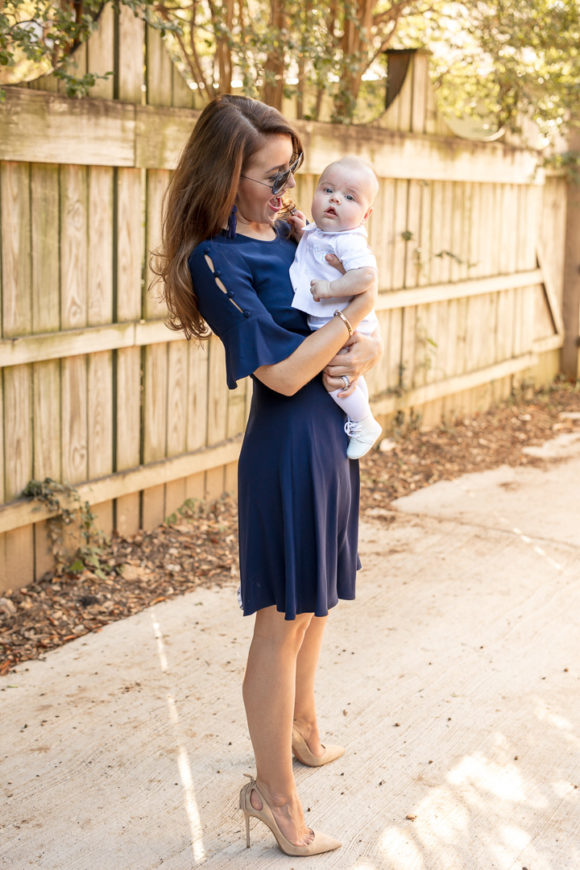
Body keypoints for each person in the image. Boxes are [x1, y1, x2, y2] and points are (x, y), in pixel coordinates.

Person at [154, 94, 381, 858]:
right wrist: (354, 322)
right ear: (227, 173)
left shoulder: (295, 233)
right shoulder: (214, 258)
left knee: (317, 604)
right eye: (271, 175)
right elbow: (284, 374)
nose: (288, 189)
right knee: (281, 624)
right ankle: (273, 798)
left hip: (334, 434)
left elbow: (348, 312)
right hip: (287, 445)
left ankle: (304, 731)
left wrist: (364, 344)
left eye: (293, 172)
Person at [289, 156, 383, 458]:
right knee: (347, 375)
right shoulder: (322, 232)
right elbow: (313, 250)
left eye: (349, 197)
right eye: (327, 190)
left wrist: (331, 288)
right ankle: (362, 416)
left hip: (348, 324)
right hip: (336, 322)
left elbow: (366, 276)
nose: (335, 199)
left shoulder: (350, 241)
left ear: (365, 215)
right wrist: (300, 231)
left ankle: (363, 421)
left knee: (335, 378)